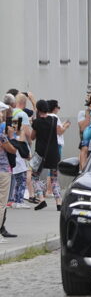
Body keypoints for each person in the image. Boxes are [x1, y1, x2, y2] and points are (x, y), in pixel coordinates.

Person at [29, 100, 61, 211]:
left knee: (34, 177)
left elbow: (32, 137)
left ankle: (41, 200)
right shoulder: (54, 119)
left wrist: (32, 124)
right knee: (54, 179)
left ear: (38, 109)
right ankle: (59, 203)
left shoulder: (36, 122)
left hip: (40, 154)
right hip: (54, 154)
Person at [0, 103, 18, 243]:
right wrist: (11, 136)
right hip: (3, 170)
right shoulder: (2, 136)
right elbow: (12, 150)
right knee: (1, 202)